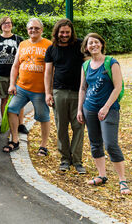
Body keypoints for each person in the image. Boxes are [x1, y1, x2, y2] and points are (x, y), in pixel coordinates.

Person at [77, 33, 130, 195]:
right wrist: (80, 109)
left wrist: (106, 107)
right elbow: (83, 88)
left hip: (109, 109)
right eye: (90, 43)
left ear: (101, 44)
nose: (93, 45)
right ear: (86, 48)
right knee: (95, 143)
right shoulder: (85, 65)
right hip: (89, 108)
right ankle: (102, 175)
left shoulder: (111, 63)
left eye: (96, 42)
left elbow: (118, 87)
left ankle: (122, 180)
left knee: (110, 144)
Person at [4, 18, 52, 155]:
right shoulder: (23, 44)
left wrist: (49, 91)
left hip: (40, 90)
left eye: (36, 28)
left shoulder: (48, 45)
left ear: (42, 30)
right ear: (27, 30)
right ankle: (15, 139)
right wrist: (12, 84)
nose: (33, 30)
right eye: (31, 28)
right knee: (12, 109)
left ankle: (43, 146)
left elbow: (52, 69)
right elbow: (15, 66)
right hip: (21, 88)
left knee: (43, 117)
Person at [44, 19, 86, 173]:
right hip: (58, 92)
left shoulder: (80, 46)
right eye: (62, 32)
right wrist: (48, 93)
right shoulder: (51, 49)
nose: (64, 35)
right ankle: (65, 160)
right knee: (61, 127)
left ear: (71, 32)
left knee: (78, 126)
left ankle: (77, 160)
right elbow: (48, 72)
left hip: (78, 92)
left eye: (67, 32)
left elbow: (89, 64)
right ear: (57, 32)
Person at [0, 16, 27, 134]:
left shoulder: (18, 39)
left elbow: (24, 56)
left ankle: (20, 124)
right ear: (0, 25)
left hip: (17, 75)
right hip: (1, 74)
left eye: (9, 23)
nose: (7, 25)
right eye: (4, 23)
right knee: (4, 100)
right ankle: (5, 123)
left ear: (12, 25)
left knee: (19, 100)